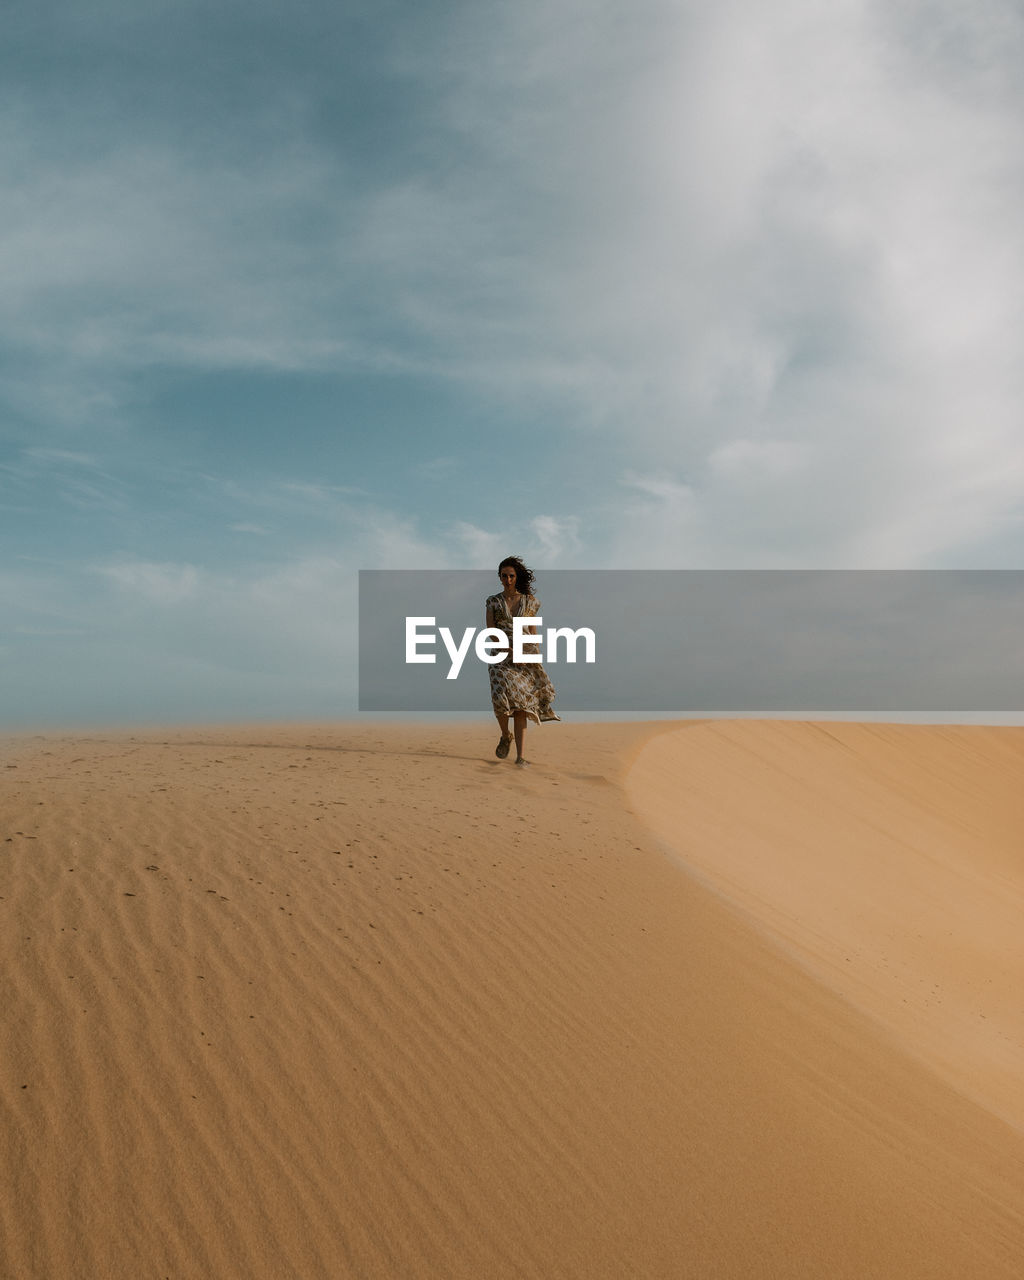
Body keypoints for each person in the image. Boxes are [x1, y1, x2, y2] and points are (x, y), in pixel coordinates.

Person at [485, 556, 560, 766]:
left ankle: (520, 757)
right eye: (504, 576)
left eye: (511, 576)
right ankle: (505, 734)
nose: (507, 579)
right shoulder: (493, 601)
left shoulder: (530, 602)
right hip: (500, 655)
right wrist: (507, 649)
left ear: (516, 577)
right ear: (499, 577)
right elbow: (491, 630)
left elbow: (532, 632)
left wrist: (531, 655)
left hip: (524, 658)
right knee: (500, 698)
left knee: (520, 706)